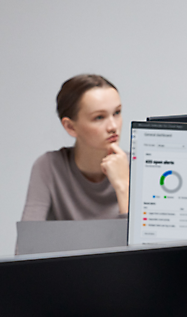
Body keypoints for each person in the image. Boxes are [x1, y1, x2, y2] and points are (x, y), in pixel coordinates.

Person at [21, 74, 128, 221]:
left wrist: (123, 186)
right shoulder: (49, 166)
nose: (113, 126)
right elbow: (28, 241)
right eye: (99, 117)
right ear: (70, 127)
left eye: (117, 113)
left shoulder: (140, 166)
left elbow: (146, 243)